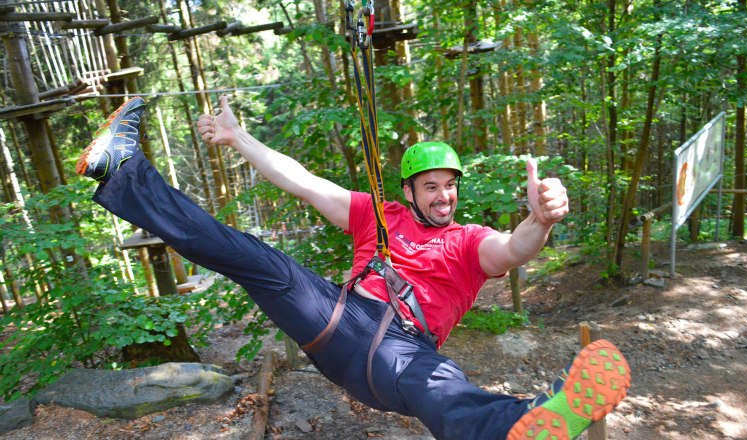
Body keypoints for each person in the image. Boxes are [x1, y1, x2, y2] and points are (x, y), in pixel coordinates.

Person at [77, 96, 630, 440]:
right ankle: (122, 170)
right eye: (432, 187)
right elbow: (300, 180)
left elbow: (515, 248)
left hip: (402, 355)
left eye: (450, 187)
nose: (444, 197)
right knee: (248, 256)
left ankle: (513, 426)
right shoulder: (377, 215)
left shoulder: (470, 241)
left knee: (441, 388)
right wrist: (238, 137)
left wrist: (542, 219)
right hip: (337, 320)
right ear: (410, 190)